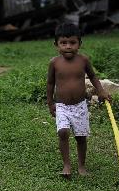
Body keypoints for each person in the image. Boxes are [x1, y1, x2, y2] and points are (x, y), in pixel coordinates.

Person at [46, 21, 110, 178]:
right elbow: (50, 83)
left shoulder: (83, 60)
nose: (68, 46)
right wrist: (50, 103)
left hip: (80, 106)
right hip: (62, 106)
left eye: (72, 42)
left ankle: (81, 166)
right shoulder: (54, 63)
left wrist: (101, 91)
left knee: (81, 137)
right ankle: (66, 165)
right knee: (63, 132)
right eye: (63, 43)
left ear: (79, 44)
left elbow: (93, 76)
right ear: (56, 45)